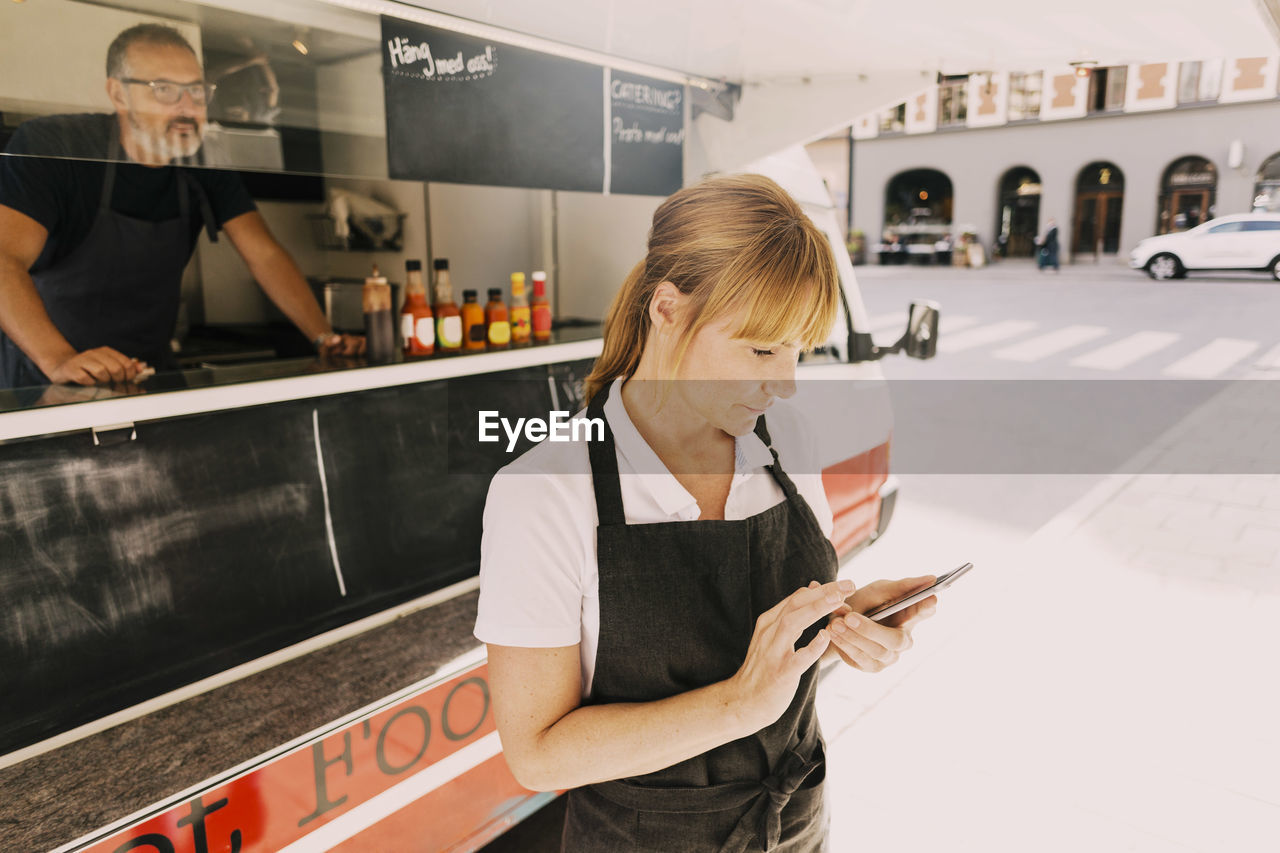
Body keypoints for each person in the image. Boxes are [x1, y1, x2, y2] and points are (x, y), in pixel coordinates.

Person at [475, 174, 939, 851]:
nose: (784, 383)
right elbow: (538, 753)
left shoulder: (788, 441)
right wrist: (737, 704)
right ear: (666, 309)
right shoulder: (546, 491)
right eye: (760, 349)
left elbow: (775, 647)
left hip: (798, 826)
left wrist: (843, 623)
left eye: (796, 350)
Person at [0, 24, 362, 389]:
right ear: (119, 94)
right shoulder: (54, 145)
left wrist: (324, 338)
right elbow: (3, 257)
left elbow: (264, 255)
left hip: (148, 378)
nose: (188, 108)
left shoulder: (204, 159)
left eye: (196, 92)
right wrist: (60, 359)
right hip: (46, 381)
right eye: (165, 90)